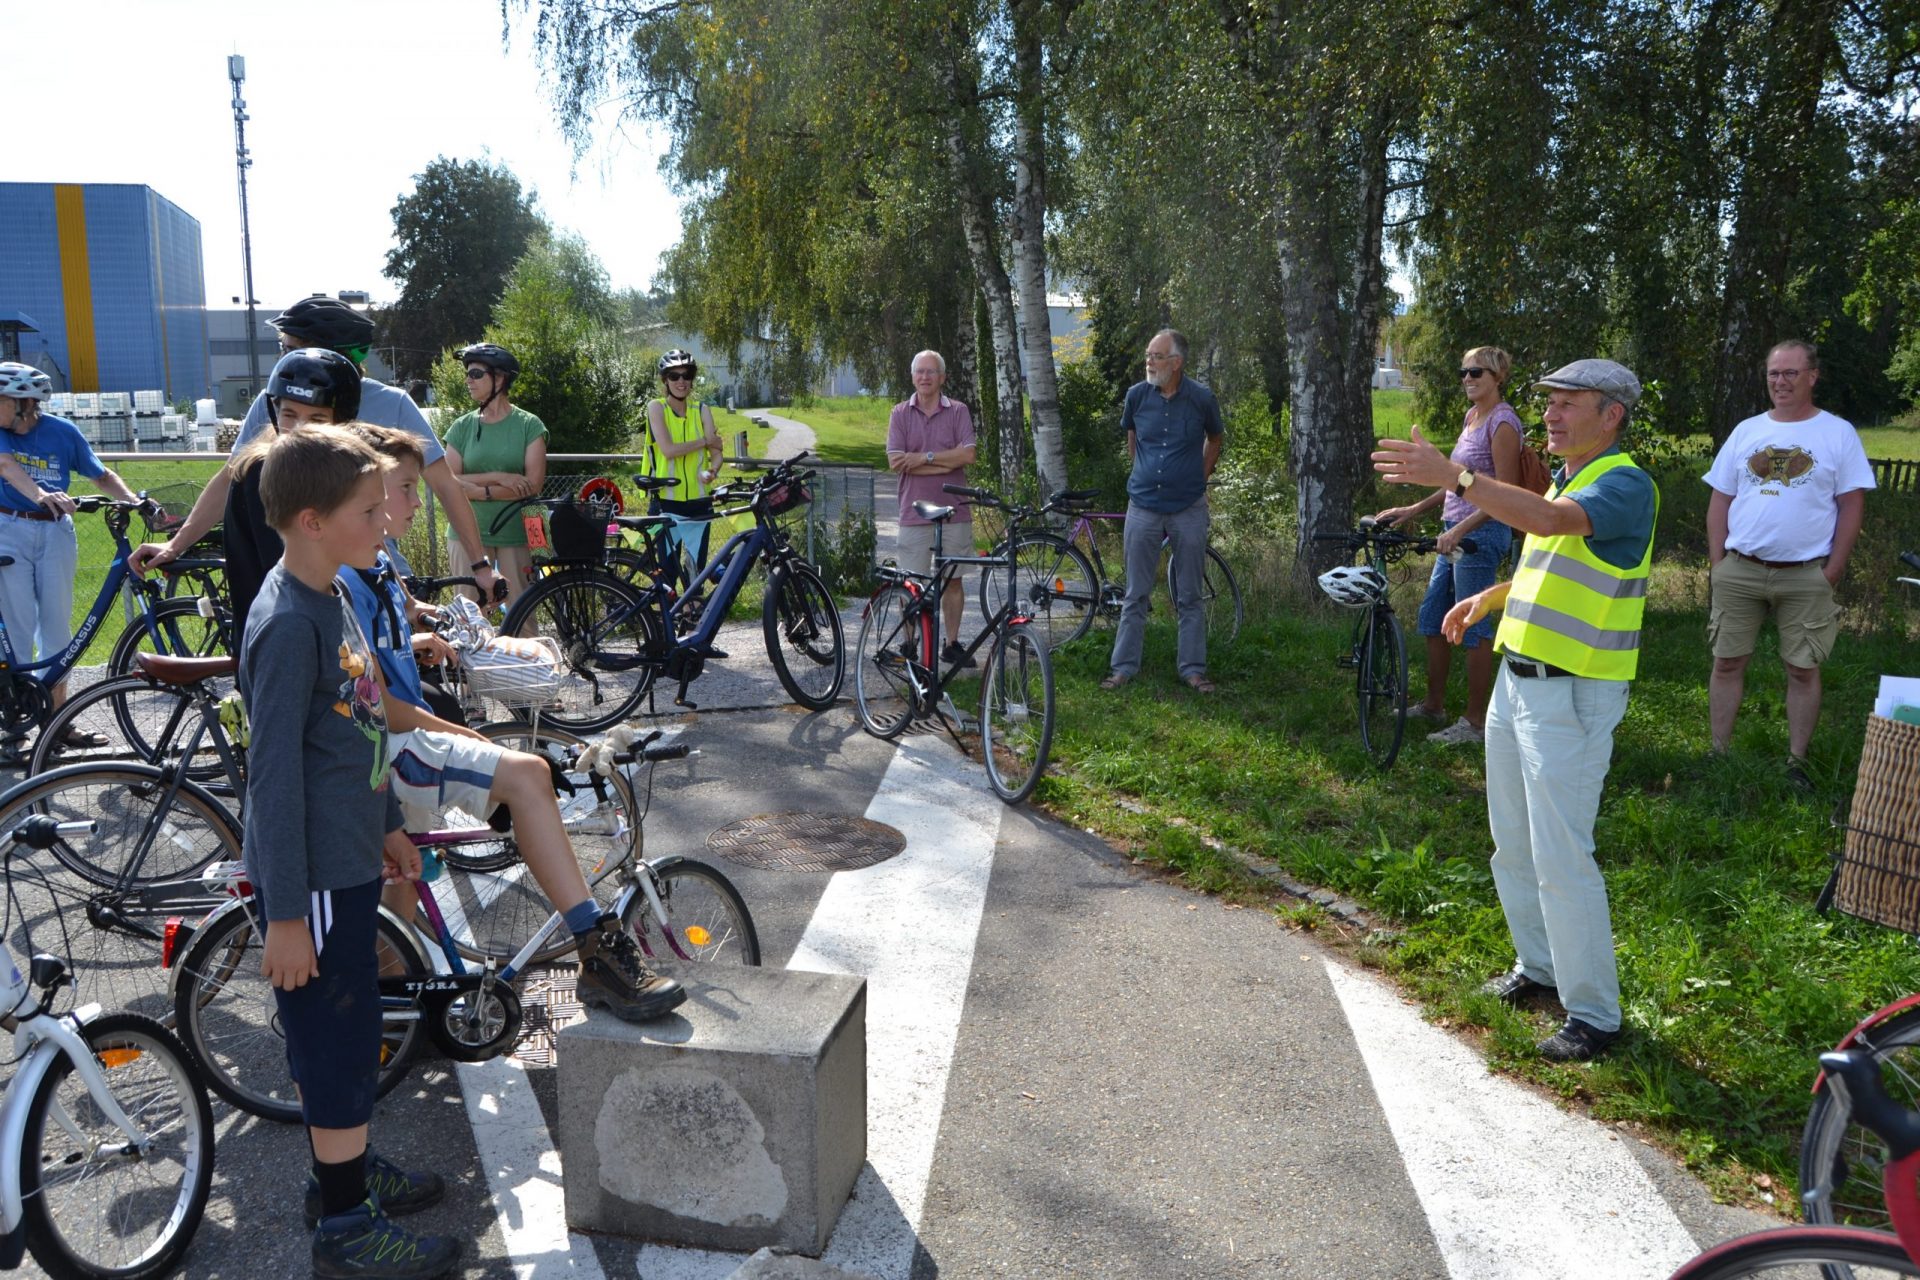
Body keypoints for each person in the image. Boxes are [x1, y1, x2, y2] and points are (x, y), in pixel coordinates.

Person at [340, 423, 685, 1024]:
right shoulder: (348, 576)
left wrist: (420, 631)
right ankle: (596, 948)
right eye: (402, 490)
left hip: (393, 740)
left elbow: (385, 641)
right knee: (527, 776)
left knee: (400, 879)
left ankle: (388, 1010)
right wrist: (465, 734)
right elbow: (372, 702)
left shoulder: (374, 561)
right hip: (389, 743)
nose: (414, 502)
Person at [1372, 359, 1658, 1063]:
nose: (1552, 415)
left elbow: (1550, 522)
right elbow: (1552, 558)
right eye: (1549, 403)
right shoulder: (1569, 475)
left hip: (1573, 691)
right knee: (1514, 843)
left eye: (1569, 404)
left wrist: (1458, 479)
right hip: (1519, 684)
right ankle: (1540, 971)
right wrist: (1491, 598)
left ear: (1611, 414)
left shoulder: (1623, 483)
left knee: (1563, 855)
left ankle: (1594, 1014)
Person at [232, 425, 460, 1278]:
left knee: (354, 1024)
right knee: (333, 1038)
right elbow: (273, 780)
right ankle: (345, 1228)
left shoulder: (331, 593)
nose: (388, 522)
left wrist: (391, 822)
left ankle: (344, 1175)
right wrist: (285, 914)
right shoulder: (288, 623)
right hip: (316, 883)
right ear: (311, 519)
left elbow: (359, 727)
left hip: (351, 854)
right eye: (371, 509)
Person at [131, 296, 502, 603]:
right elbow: (232, 476)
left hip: (374, 569)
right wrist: (176, 546)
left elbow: (446, 486)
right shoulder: (275, 400)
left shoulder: (394, 403)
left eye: (290, 349)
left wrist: (480, 565)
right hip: (304, 577)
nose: (284, 361)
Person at [1703, 340, 1873, 787]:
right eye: (1774, 374)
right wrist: (1718, 563)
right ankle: (1718, 753)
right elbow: (1720, 499)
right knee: (1726, 662)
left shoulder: (1837, 433)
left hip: (1806, 573)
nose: (1780, 382)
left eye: (1791, 373)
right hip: (1740, 568)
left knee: (1802, 668)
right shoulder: (1746, 431)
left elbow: (1852, 505)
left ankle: (1797, 762)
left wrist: (1833, 569)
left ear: (1812, 376)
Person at [1374, 346, 1526, 746]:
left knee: (1473, 624)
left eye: (1477, 372)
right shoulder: (1472, 418)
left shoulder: (1503, 423)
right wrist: (1413, 508)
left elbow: (1506, 495)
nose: (1468, 379)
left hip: (1480, 535)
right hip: (1453, 531)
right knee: (1433, 618)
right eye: (1464, 372)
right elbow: (1455, 482)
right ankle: (1433, 705)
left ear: (1497, 377)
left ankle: (1476, 722)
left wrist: (1461, 531)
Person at [0, 362, 141, 748]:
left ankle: (57, 722)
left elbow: (100, 475)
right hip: (8, 528)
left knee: (57, 627)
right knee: (17, 627)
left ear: (25, 403)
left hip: (56, 531)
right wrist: (42, 495)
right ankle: (14, 720)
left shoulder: (62, 432)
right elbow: (6, 466)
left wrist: (137, 502)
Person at [1103, 329, 1224, 693]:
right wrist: (1143, 473)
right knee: (1135, 593)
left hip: (1188, 508)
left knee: (1189, 594)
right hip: (1142, 506)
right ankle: (1123, 668)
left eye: (1156, 356)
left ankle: (1192, 670)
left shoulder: (1201, 398)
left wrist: (1198, 479)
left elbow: (1215, 439)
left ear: (1176, 363)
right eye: (1148, 355)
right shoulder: (1137, 396)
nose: (1149, 362)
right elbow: (1132, 439)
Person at [884, 350, 977, 665]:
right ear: (912, 377)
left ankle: (951, 644)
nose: (925, 377)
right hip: (913, 512)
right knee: (912, 582)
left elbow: (967, 456)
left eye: (931, 372)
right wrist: (943, 461)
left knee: (953, 579)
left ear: (942, 378)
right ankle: (910, 645)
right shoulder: (899, 413)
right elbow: (897, 462)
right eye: (919, 371)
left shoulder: (959, 411)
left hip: (955, 510)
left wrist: (923, 458)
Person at [444, 344, 546, 606]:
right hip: (466, 533)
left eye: (476, 374)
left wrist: (478, 491)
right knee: (471, 618)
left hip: (515, 532)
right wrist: (501, 477)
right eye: (467, 374)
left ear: (499, 378)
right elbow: (448, 480)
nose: (468, 380)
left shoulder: (529, 425)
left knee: (522, 617)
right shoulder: (462, 427)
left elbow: (533, 485)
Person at [646, 349, 724, 576]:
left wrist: (713, 469)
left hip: (699, 503)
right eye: (674, 376)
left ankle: (694, 612)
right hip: (666, 504)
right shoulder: (656, 407)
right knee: (667, 575)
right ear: (665, 380)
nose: (681, 381)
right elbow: (668, 450)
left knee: (695, 575)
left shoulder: (702, 410)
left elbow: (717, 451)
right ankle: (667, 612)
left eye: (686, 375)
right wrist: (704, 441)